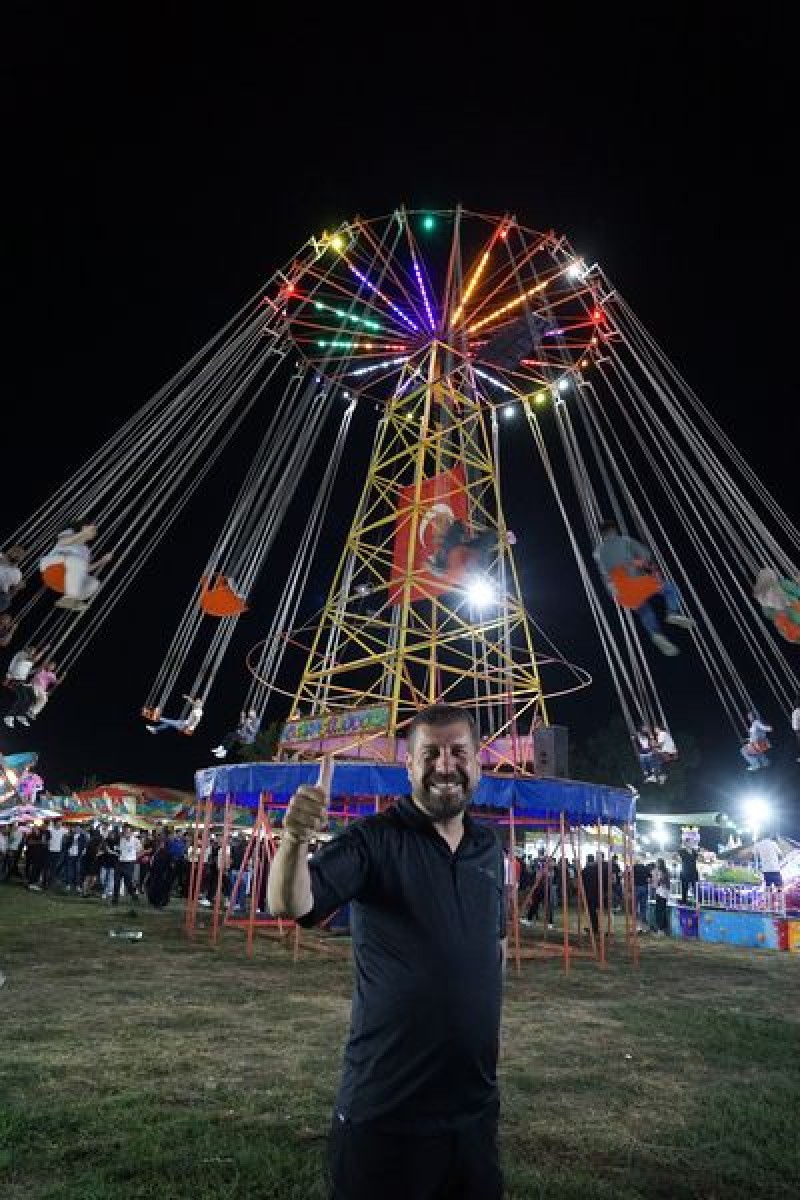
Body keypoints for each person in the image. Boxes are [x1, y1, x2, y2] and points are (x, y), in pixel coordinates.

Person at [268, 703, 505, 1200]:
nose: (445, 765)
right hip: (388, 1114)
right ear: (409, 766)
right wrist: (294, 839)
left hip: (474, 1113)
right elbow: (292, 903)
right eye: (430, 754)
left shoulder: (488, 848)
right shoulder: (373, 840)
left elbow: (494, 946)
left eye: (458, 752)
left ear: (478, 763)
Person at [593, 519, 693, 656]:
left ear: (602, 534)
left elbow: (605, 574)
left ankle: (656, 634)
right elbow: (646, 555)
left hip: (620, 591)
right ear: (614, 530)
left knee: (643, 609)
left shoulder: (598, 552)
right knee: (669, 588)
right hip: (635, 580)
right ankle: (673, 612)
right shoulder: (625, 540)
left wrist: (614, 593)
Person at [39, 520, 112, 611]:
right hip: (53, 567)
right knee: (79, 563)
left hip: (63, 583)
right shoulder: (69, 532)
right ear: (83, 527)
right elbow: (63, 542)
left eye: (95, 530)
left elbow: (84, 569)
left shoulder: (86, 550)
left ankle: (72, 599)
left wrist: (102, 561)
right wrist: (83, 533)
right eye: (93, 528)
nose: (94, 531)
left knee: (94, 583)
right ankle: (70, 597)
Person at [0, 545, 26, 613]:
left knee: (6, 600)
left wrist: (17, 587)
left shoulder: (16, 573)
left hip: (2, 595)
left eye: (20, 554)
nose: (16, 554)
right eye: (15, 551)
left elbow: (11, 592)